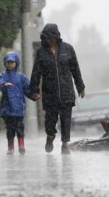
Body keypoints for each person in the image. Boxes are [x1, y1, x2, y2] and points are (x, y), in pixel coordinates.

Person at [30, 23, 85, 154]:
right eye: (45, 38)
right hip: (50, 94)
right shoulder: (41, 52)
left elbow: (75, 70)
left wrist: (80, 87)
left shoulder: (68, 49)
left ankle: (65, 144)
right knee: (50, 121)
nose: (47, 40)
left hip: (66, 93)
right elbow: (36, 72)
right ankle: (50, 136)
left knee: (66, 120)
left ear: (55, 37)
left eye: (49, 37)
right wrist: (35, 90)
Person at [0, 51, 31, 155]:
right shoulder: (3, 75)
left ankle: (21, 145)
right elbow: (0, 84)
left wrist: (35, 95)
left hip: (18, 108)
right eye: (8, 63)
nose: (10, 64)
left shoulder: (21, 77)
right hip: (7, 109)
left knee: (20, 128)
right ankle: (10, 147)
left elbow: (28, 89)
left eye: (12, 62)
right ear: (5, 64)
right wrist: (4, 85)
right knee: (10, 130)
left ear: (16, 63)